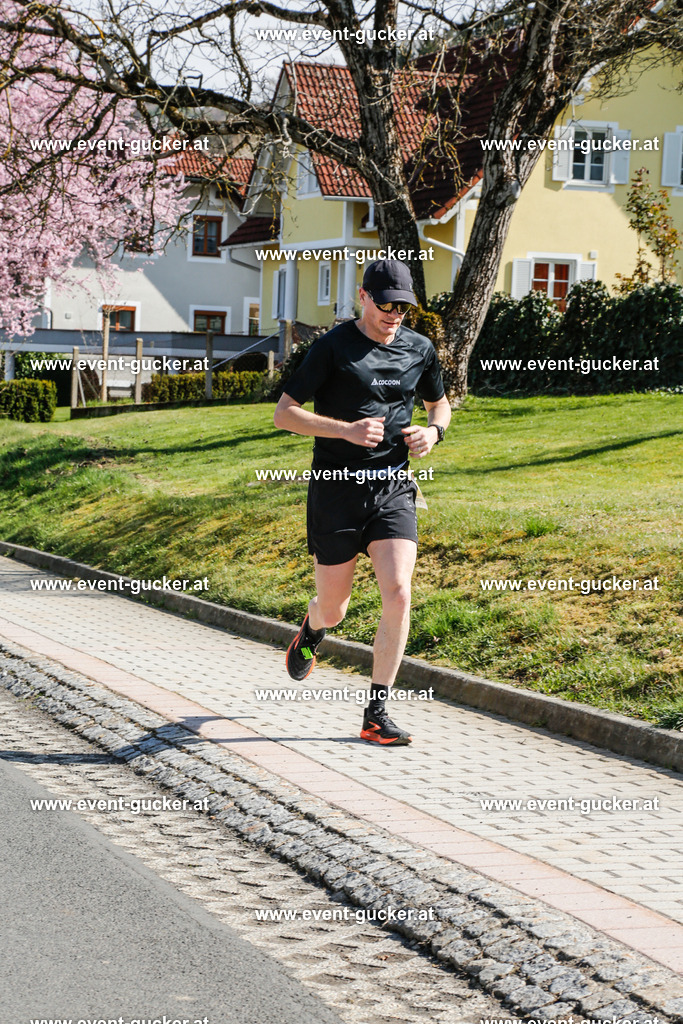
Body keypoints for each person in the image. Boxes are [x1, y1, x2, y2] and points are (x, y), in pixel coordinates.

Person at [273, 258, 451, 745]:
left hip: (393, 488)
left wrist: (433, 432)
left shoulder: (419, 348)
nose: (395, 315)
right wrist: (345, 431)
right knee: (335, 608)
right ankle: (313, 627)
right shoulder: (332, 347)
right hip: (336, 491)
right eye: (386, 305)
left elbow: (439, 404)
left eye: (403, 308)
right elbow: (284, 414)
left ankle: (376, 714)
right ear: (364, 297)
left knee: (399, 592)